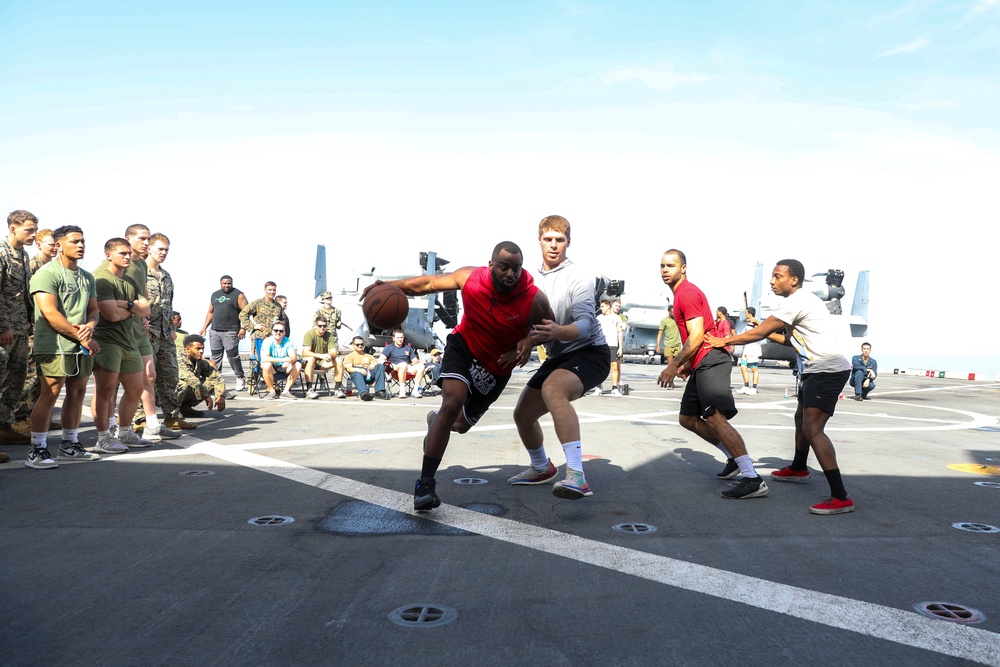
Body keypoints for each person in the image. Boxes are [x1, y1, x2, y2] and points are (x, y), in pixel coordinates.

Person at [360, 241, 549, 510]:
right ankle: (425, 486)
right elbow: (427, 284)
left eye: (516, 269)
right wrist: (388, 287)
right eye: (504, 267)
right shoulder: (470, 278)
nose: (511, 274)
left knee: (458, 425)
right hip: (464, 346)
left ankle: (435, 422)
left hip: (495, 366)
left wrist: (529, 341)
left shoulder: (533, 299)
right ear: (491, 265)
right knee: (452, 401)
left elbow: (548, 326)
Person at [706, 259, 855, 515]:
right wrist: (760, 329)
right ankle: (798, 468)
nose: (772, 281)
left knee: (813, 429)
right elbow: (789, 340)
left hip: (826, 369)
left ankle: (840, 497)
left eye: (777, 276)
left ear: (793, 279)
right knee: (801, 419)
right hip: (816, 369)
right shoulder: (801, 301)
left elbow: (760, 333)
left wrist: (724, 340)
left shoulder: (796, 301)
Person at [510, 216, 610, 500]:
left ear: (568, 242)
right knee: (523, 415)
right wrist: (529, 339)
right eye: (548, 239)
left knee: (553, 388)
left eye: (560, 240)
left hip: (590, 352)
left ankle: (578, 477)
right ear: (539, 240)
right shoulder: (528, 279)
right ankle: (542, 467)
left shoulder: (578, 277)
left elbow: (585, 326)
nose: (554, 245)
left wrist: (557, 331)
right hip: (559, 355)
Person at [657, 249, 767, 499]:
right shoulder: (679, 295)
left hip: (712, 359)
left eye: (671, 265)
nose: (665, 270)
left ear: (683, 268)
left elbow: (696, 336)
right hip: (701, 362)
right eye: (662, 266)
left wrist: (674, 365)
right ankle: (733, 458)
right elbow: (696, 335)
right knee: (687, 418)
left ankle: (752, 478)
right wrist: (687, 364)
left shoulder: (687, 293)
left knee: (715, 418)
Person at [24, 225, 102, 468]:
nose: (81, 245)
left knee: (77, 392)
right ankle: (37, 449)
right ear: (58, 245)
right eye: (75, 241)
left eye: (83, 241)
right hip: (54, 344)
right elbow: (50, 313)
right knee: (51, 393)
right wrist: (81, 336)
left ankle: (69, 445)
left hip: (81, 343)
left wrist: (90, 325)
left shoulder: (87, 277)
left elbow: (94, 309)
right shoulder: (46, 274)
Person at [90, 238, 151, 453]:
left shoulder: (129, 281)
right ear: (108, 255)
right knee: (105, 391)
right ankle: (103, 438)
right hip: (107, 341)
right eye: (121, 254)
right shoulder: (102, 279)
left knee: (136, 388)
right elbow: (111, 314)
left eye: (128, 253)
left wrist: (127, 304)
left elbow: (145, 309)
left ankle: (125, 433)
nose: (127, 257)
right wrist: (132, 308)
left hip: (129, 340)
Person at [140, 233, 186, 434]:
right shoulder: (139, 272)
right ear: (149, 248)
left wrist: (172, 329)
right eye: (160, 249)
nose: (163, 253)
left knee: (169, 375)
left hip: (166, 334)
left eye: (166, 250)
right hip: (147, 332)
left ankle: (171, 416)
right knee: (145, 376)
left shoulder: (166, 276)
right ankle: (141, 418)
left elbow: (169, 304)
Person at [15, 228, 59, 428]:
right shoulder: (32, 265)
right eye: (50, 244)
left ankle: (38, 417)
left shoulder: (51, 267)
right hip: (32, 328)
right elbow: (23, 296)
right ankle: (20, 419)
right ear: (39, 245)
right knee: (30, 376)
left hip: (44, 328)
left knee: (42, 377)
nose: (54, 248)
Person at [0, 210, 38, 445]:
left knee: (16, 379)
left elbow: (23, 293)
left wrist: (29, 322)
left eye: (35, 229)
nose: (33, 234)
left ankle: (3, 426)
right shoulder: (2, 253)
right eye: (29, 230)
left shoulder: (23, 254)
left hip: (20, 329)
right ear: (13, 228)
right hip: (4, 332)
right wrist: (2, 327)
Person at [200, 275, 248, 391]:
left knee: (232, 356)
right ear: (220, 283)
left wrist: (243, 328)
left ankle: (240, 376)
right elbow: (210, 312)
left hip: (231, 331)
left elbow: (246, 312)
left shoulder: (238, 295)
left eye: (229, 283)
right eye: (224, 283)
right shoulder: (215, 295)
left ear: (232, 283)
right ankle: (215, 382)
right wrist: (204, 327)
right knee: (215, 357)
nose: (227, 285)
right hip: (215, 331)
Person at [177, 334, 226, 416]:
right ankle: (172, 411)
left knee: (211, 382)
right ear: (188, 349)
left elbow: (216, 377)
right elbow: (190, 379)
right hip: (161, 394)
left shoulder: (199, 361)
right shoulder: (178, 358)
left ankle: (184, 408)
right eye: (198, 349)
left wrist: (220, 396)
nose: (201, 351)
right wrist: (206, 395)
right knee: (184, 384)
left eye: (202, 348)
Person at [314, 291, 352, 395]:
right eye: (327, 298)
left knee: (335, 359)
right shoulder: (319, 312)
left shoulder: (337, 311)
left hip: (333, 338)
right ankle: (322, 381)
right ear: (323, 300)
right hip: (322, 338)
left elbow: (338, 325)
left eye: (330, 298)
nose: (329, 300)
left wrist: (339, 324)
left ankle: (338, 383)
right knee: (323, 358)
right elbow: (315, 325)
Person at [240, 281, 285, 363]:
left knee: (271, 361)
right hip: (259, 337)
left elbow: (282, 321)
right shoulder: (257, 303)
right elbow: (243, 314)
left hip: (273, 338)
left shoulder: (277, 306)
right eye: (270, 290)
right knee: (256, 362)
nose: (272, 292)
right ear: (265, 290)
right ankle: (251, 376)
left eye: (274, 290)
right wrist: (253, 326)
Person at [379, 328, 427, 399]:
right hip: (394, 369)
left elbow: (414, 361)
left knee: (421, 366)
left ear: (403, 338)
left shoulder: (408, 348)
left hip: (407, 368)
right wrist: (389, 366)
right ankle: (402, 390)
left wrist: (415, 364)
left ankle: (415, 390)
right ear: (393, 338)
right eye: (397, 338)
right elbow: (381, 360)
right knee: (403, 364)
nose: (400, 339)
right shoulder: (389, 348)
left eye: (401, 337)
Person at [258, 323, 300, 400]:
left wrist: (289, 361)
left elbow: (293, 356)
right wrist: (283, 359)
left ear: (284, 333)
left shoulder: (288, 341)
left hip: (284, 367)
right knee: (266, 365)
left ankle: (285, 392)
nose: (278, 333)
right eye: (276, 330)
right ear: (272, 331)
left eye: (281, 331)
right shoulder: (267, 341)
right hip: (272, 367)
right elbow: (265, 358)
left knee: (297, 365)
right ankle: (272, 391)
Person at [342, 336, 391, 401]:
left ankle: (379, 391)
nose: (360, 346)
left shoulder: (369, 356)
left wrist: (373, 365)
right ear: (353, 345)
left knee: (380, 366)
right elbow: (348, 368)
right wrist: (359, 370)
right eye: (357, 344)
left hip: (369, 374)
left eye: (362, 344)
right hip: (357, 376)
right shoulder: (349, 356)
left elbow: (375, 363)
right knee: (357, 373)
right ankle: (364, 393)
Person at [301, 316, 338, 399]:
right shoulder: (309, 334)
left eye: (324, 326)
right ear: (315, 325)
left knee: (338, 360)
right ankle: (309, 390)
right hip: (307, 361)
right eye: (320, 325)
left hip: (321, 362)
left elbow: (334, 351)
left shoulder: (329, 335)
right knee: (311, 359)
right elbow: (306, 352)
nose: (322, 328)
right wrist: (321, 355)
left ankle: (337, 389)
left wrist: (331, 356)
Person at [594, 297, 624, 396]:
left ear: (608, 306)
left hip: (613, 344)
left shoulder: (616, 318)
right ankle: (598, 387)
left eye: (602, 306)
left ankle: (614, 388)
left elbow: (620, 333)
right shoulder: (599, 318)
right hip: (601, 345)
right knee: (599, 366)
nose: (601, 308)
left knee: (614, 367)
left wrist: (620, 348)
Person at [738, 307, 763, 395]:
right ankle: (746, 386)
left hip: (753, 349)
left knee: (754, 369)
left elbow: (761, 330)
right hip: (747, 348)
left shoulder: (754, 322)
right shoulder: (748, 323)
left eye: (746, 313)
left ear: (750, 313)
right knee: (743, 367)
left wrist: (756, 322)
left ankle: (754, 388)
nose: (745, 314)